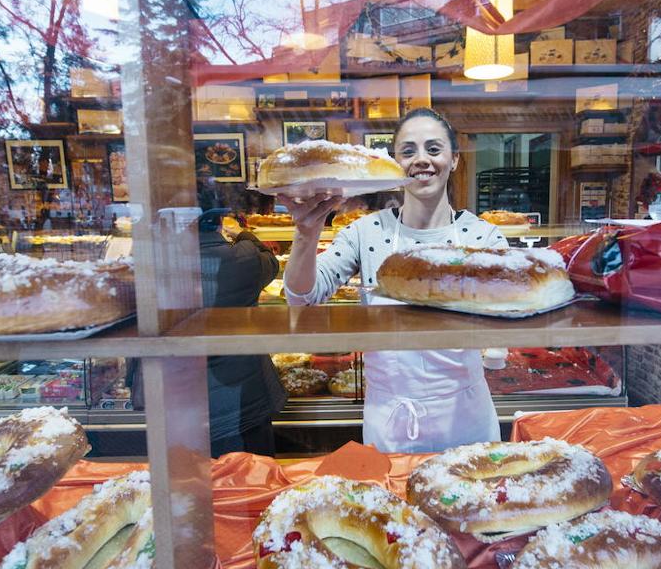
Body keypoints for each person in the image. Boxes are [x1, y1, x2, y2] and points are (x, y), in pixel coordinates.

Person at [280, 108, 509, 453]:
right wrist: (305, 233)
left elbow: (508, 320)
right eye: (408, 151)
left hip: (465, 416)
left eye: (434, 149)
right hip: (390, 419)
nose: (422, 160)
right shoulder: (365, 232)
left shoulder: (485, 239)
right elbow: (302, 298)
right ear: (394, 162)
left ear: (455, 160)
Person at [198, 208, 286, 457]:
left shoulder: (158, 262)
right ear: (218, 224)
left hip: (180, 401)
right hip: (243, 396)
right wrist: (242, 233)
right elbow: (270, 260)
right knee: (252, 477)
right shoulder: (243, 259)